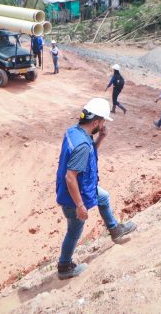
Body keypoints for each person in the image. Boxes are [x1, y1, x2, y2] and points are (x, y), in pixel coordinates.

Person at [55, 98, 137, 280]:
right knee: (74, 232)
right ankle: (64, 267)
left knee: (104, 197)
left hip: (85, 189)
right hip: (74, 197)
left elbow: (89, 154)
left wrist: (101, 137)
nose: (104, 124)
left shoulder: (75, 133)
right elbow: (71, 177)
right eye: (103, 121)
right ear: (96, 122)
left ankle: (115, 230)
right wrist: (80, 206)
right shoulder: (82, 145)